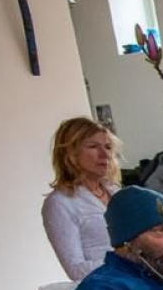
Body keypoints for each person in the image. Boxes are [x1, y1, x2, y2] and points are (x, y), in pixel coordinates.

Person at [41, 117, 121, 281]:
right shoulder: (60, 202)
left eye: (108, 147)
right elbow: (75, 270)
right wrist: (127, 260)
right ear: (70, 154)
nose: (105, 154)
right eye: (93, 147)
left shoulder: (116, 193)